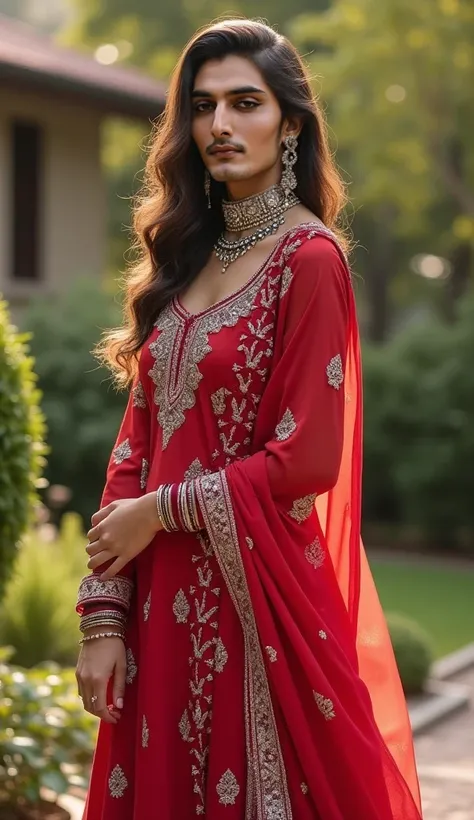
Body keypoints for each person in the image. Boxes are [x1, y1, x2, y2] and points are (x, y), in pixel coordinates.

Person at [75, 18, 423, 820]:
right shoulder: (185, 261)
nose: (220, 126)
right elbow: (136, 443)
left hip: (258, 607)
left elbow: (307, 458)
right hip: (159, 607)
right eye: (203, 107)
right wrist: (103, 614)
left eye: (244, 103)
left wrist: (157, 513)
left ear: (289, 123)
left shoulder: (310, 262)